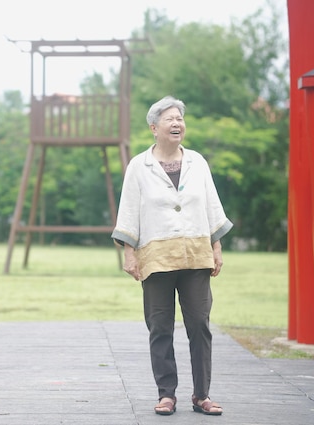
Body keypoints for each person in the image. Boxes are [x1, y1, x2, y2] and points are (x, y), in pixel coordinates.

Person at [111, 95, 233, 416]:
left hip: (195, 256)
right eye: (170, 118)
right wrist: (129, 253)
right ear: (154, 127)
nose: (177, 122)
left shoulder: (198, 162)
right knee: (160, 327)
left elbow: (211, 206)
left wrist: (216, 247)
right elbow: (129, 212)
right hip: (156, 257)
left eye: (180, 118)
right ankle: (167, 394)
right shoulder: (139, 166)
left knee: (199, 325)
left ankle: (202, 395)